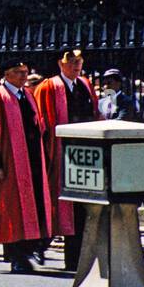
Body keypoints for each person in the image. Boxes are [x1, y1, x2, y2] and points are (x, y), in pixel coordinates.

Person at [0, 57, 53, 273]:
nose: (24, 76)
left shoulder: (28, 96)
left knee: (32, 206)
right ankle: (16, 256)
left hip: (31, 160)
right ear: (6, 74)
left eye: (25, 71)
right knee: (11, 209)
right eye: (18, 72)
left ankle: (27, 249)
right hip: (9, 161)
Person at [36, 48, 99, 271]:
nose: (75, 65)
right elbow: (43, 123)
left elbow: (94, 115)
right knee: (58, 205)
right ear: (60, 64)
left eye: (78, 61)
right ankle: (39, 245)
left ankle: (75, 259)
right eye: (70, 61)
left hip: (83, 154)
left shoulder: (85, 85)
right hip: (59, 154)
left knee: (80, 208)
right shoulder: (49, 87)